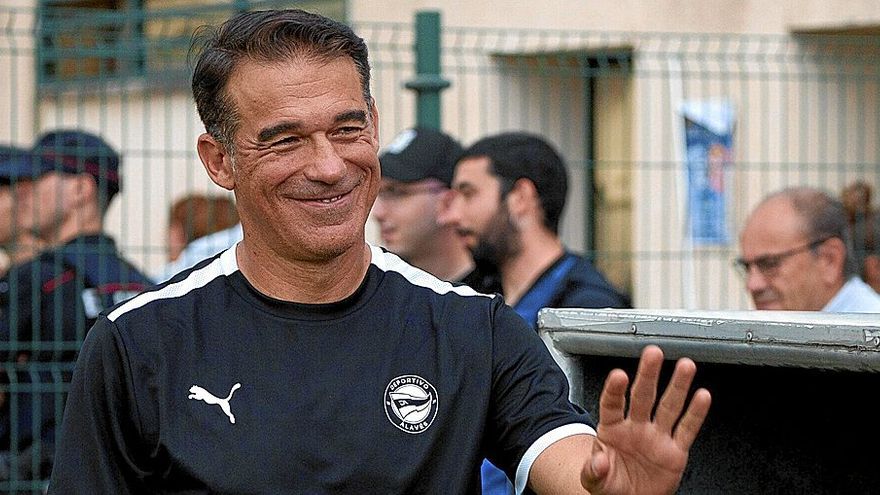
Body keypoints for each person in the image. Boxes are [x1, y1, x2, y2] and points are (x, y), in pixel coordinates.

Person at [48, 9, 710, 494]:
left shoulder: (468, 327)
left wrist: (609, 484)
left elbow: (560, 450)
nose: (331, 165)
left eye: (348, 128)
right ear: (219, 160)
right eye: (285, 140)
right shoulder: (139, 343)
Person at [441, 132, 632, 492]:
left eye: (469, 194)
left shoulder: (590, 309)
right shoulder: (473, 298)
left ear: (521, 199)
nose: (452, 214)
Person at [0, 130, 153, 481]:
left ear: (80, 190)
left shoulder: (36, 279)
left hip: (33, 473)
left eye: (35, 178)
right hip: (119, 473)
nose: (22, 191)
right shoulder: (143, 286)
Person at [373, 127, 493, 288]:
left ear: (449, 201)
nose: (377, 213)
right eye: (378, 193)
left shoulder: (496, 298)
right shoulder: (383, 292)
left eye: (396, 192)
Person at [737, 186, 880, 311]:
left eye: (770, 263)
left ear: (829, 259)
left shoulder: (870, 332)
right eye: (746, 267)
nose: (752, 284)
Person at [153, 193, 240, 282]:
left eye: (172, 225)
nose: (166, 238)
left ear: (181, 233)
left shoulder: (176, 273)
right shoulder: (233, 254)